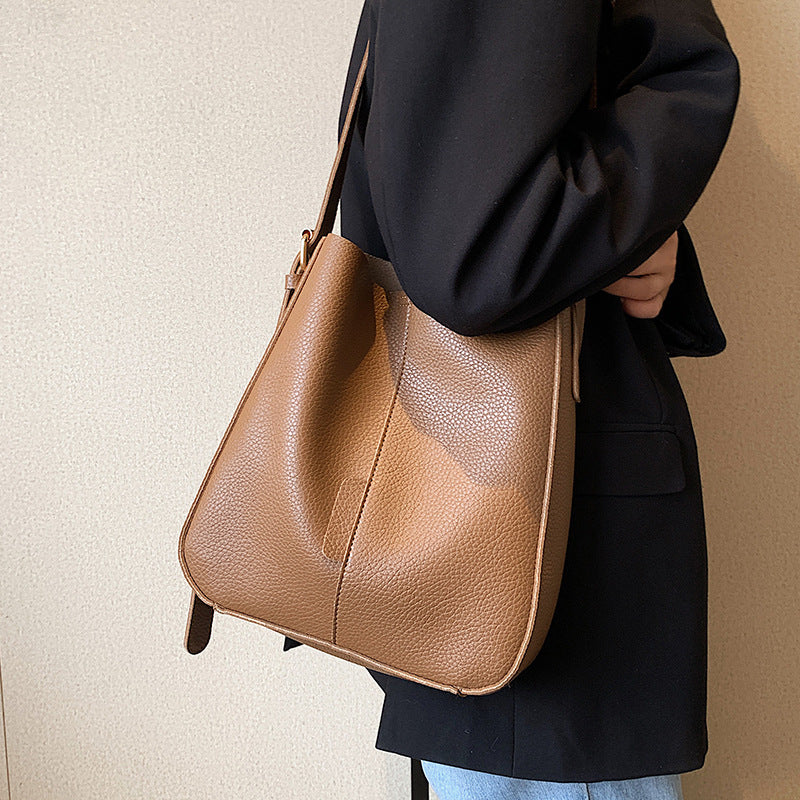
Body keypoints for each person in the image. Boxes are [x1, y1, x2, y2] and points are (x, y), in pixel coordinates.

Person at [283, 0, 741, 796]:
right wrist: (624, 223)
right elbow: (471, 251)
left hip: (493, 546)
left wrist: (634, 238)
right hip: (540, 573)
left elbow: (461, 200)